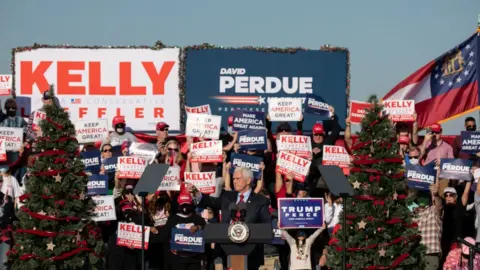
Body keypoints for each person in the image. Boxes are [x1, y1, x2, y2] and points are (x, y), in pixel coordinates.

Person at [189, 166, 270, 270]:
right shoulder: (227, 196)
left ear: (249, 180)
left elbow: (266, 227)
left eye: (238, 178)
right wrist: (196, 192)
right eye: (233, 179)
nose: (235, 182)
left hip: (250, 252)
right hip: (226, 248)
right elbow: (210, 201)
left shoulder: (260, 201)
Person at [162, 190, 206, 270]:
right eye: (183, 205)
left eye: (187, 204)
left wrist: (198, 227)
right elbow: (166, 236)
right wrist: (171, 246)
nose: (185, 208)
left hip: (194, 259)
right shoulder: (173, 219)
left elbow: (205, 228)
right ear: (179, 205)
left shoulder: (197, 218)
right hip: (178, 259)